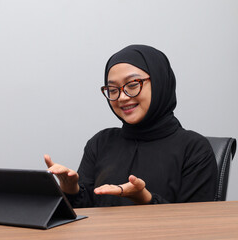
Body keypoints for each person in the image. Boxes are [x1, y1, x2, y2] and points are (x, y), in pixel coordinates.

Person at [44, 44, 218, 207]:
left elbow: (195, 225)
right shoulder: (100, 143)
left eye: (133, 85)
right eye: (113, 90)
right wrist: (70, 189)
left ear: (159, 83)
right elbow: (85, 215)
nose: (122, 97)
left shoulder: (194, 149)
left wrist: (145, 199)